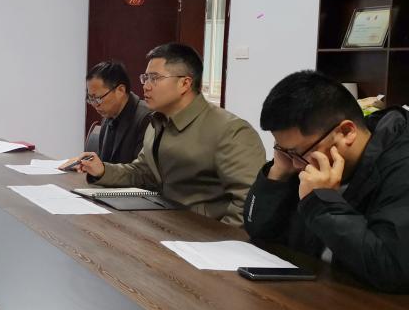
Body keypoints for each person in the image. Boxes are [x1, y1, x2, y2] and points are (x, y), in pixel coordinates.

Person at [243, 70, 409, 292]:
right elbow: (259, 231)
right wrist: (278, 172)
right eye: (283, 149)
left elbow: (391, 269)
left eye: (297, 152)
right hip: (312, 291)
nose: (296, 164)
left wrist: (322, 202)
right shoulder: (300, 160)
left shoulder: (400, 165)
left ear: (346, 132)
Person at [67, 43, 264, 226]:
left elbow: (248, 201)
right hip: (164, 224)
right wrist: (102, 170)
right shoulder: (158, 122)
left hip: (202, 237)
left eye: (155, 78)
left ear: (185, 83)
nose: (146, 86)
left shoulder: (230, 130)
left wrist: (217, 241)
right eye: (145, 78)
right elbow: (142, 171)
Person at [75, 60, 151, 164]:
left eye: (98, 98)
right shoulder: (108, 116)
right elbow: (104, 162)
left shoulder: (146, 118)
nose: (95, 104)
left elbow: (141, 170)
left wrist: (102, 168)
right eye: (91, 99)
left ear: (120, 90)